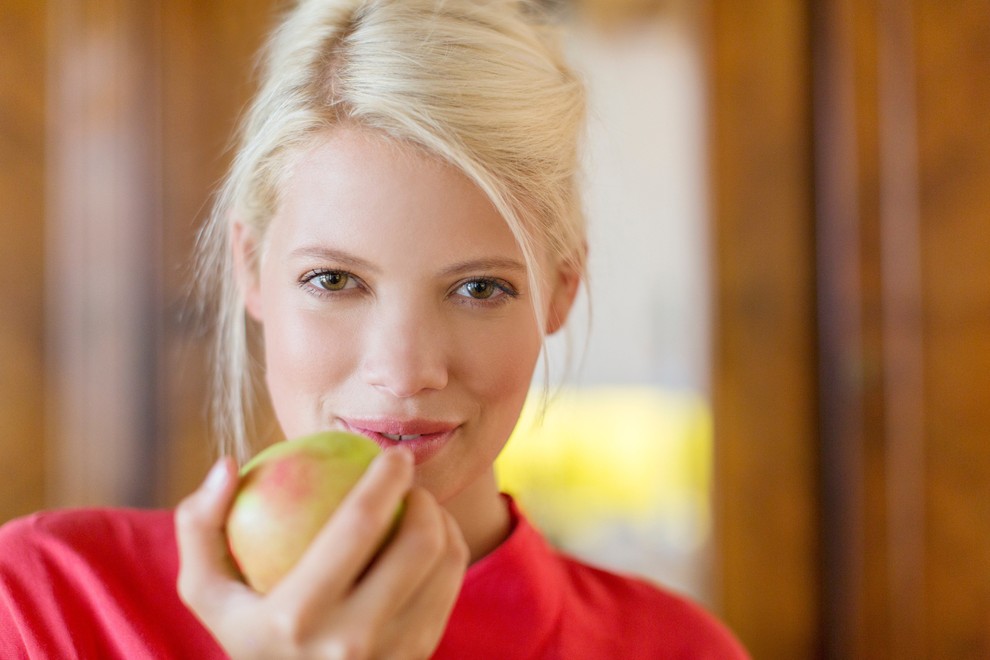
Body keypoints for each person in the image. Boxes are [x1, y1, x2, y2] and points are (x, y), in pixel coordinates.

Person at [0, 0, 748, 657]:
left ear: (560, 291)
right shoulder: (46, 606)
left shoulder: (676, 651)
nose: (404, 370)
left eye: (478, 288)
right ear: (251, 267)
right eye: (334, 281)